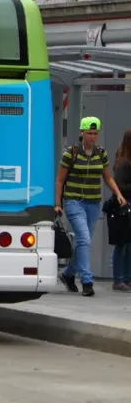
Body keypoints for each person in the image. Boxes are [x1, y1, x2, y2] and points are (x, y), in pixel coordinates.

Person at [56, 116, 127, 297]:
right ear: (82, 133)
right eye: (89, 133)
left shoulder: (100, 153)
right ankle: (87, 281)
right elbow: (60, 180)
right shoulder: (70, 153)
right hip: (74, 201)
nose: (93, 137)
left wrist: (118, 194)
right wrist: (57, 204)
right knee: (85, 239)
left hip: (93, 203)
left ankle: (68, 274)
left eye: (95, 133)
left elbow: (108, 176)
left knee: (83, 242)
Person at [106, 130, 131, 291]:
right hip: (123, 208)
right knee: (122, 244)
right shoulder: (124, 163)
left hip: (126, 208)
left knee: (128, 245)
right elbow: (119, 186)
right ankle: (119, 279)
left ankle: (126, 278)